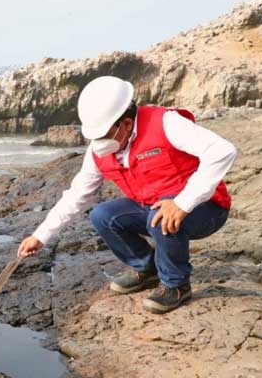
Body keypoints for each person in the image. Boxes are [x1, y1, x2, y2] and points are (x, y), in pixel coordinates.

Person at [17, 76, 237, 314]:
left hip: (206, 209)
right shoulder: (98, 151)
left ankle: (176, 284)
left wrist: (183, 203)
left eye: (103, 134)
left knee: (161, 215)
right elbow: (77, 194)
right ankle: (147, 268)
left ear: (126, 123)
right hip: (154, 206)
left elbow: (223, 150)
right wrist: (39, 236)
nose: (98, 142)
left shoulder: (166, 123)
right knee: (102, 215)